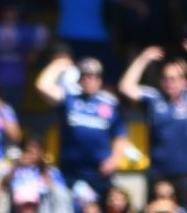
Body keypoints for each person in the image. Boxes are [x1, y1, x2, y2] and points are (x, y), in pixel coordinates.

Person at [119, 39, 187, 205]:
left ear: (184, 81)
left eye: (175, 78)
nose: (170, 82)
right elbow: (125, 87)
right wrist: (143, 59)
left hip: (184, 171)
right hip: (157, 171)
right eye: (166, 78)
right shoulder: (154, 98)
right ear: (161, 81)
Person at [36, 55, 129, 198]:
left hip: (99, 173)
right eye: (84, 76)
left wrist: (115, 159)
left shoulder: (110, 103)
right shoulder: (69, 98)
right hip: (71, 171)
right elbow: (42, 86)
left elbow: (120, 134)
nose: (88, 80)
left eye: (92, 76)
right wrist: (59, 63)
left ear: (99, 80)